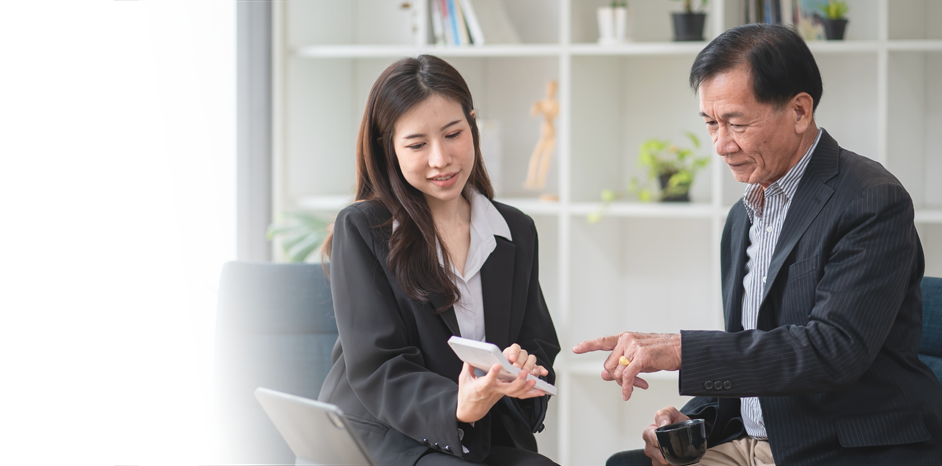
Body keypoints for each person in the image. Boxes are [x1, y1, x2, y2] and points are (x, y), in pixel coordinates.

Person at [573, 24, 942, 465]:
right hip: (757, 440)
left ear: (800, 111)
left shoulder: (870, 199)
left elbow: (833, 350)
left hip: (843, 445)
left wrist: (682, 351)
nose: (721, 145)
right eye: (710, 123)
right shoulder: (743, 216)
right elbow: (753, 354)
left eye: (737, 123)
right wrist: (693, 421)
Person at [315, 54, 560, 466]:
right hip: (382, 439)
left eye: (453, 134)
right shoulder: (363, 229)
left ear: (472, 125)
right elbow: (380, 364)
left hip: (480, 435)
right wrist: (458, 404)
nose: (440, 159)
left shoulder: (515, 229)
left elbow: (537, 341)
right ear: (388, 147)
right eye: (416, 144)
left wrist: (523, 371)